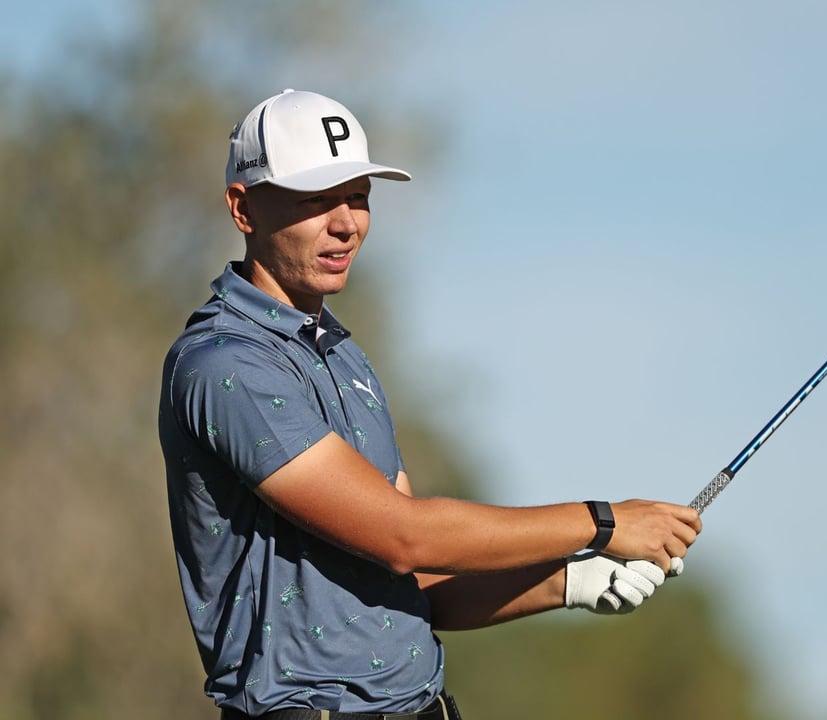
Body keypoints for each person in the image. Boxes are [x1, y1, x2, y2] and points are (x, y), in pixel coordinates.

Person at [158, 89, 702, 720]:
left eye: (359, 197)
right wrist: (602, 521)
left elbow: (417, 581)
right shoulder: (225, 362)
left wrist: (571, 578)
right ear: (243, 207)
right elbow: (403, 536)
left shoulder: (342, 356)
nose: (346, 223)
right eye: (316, 200)